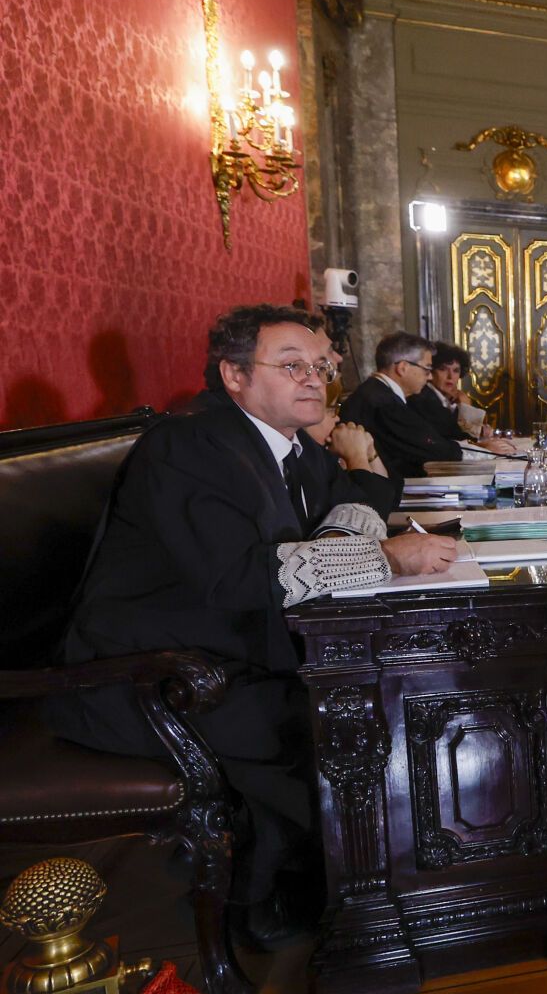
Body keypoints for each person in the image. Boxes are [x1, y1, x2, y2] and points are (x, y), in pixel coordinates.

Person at [49, 304, 459, 943]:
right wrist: (377, 557)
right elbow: (242, 576)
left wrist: (364, 545)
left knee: (381, 696)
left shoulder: (287, 448)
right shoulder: (190, 446)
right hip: (143, 676)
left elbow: (349, 507)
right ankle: (284, 906)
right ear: (234, 376)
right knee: (323, 720)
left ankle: (388, 886)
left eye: (318, 367)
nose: (313, 380)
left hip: (226, 652)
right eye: (291, 366)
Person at [341, 333, 505, 478]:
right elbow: (430, 447)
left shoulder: (380, 393)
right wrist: (487, 453)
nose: (428, 378)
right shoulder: (383, 401)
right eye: (427, 370)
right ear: (403, 368)